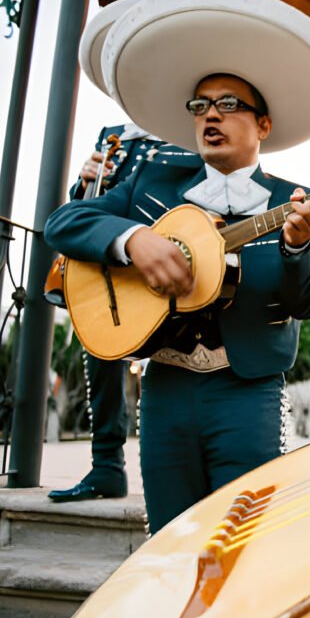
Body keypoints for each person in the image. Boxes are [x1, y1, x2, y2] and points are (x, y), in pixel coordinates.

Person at [45, 0, 310, 532]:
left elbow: (309, 301)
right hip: (165, 390)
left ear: (263, 124)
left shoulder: (295, 198)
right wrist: (133, 241)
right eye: (201, 106)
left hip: (248, 391)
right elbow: (64, 224)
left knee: (243, 538)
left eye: (229, 105)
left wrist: (298, 246)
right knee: (168, 540)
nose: (211, 115)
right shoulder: (152, 182)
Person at [47, 124, 196, 503]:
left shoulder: (190, 128)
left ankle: (186, 473)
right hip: (111, 263)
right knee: (99, 357)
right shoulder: (114, 134)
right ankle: (107, 466)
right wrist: (84, 184)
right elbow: (89, 206)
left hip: (171, 257)